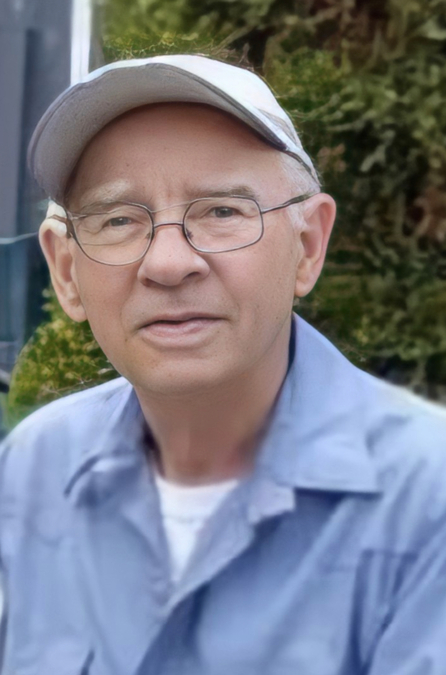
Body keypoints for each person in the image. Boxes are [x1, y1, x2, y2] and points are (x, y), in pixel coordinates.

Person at [1, 54, 446, 675]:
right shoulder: (36, 464)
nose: (167, 263)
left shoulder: (426, 498)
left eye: (221, 212)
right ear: (66, 272)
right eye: (119, 220)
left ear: (308, 246)